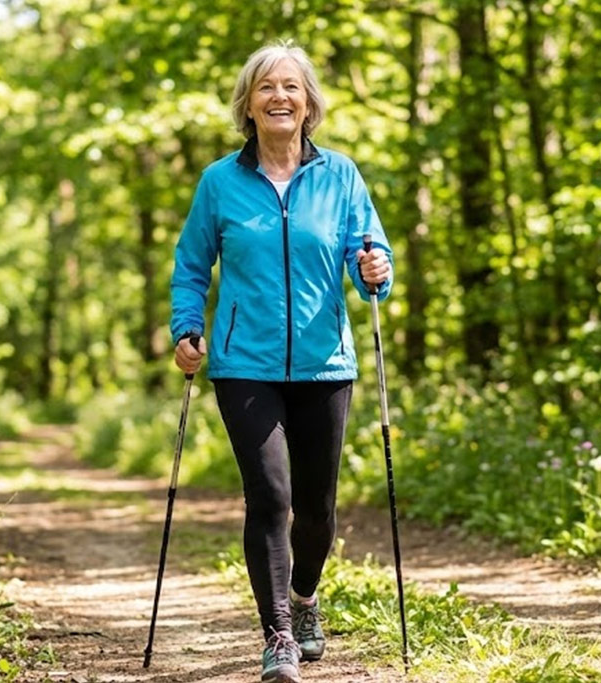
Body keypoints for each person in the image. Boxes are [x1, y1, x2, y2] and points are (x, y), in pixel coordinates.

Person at [169, 40, 393, 683]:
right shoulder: (220, 182)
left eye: (291, 87)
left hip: (326, 361)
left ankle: (304, 599)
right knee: (270, 496)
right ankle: (278, 638)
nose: (279, 97)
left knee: (318, 507)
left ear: (309, 104)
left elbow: (368, 257)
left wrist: (376, 270)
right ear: (249, 103)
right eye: (266, 87)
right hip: (245, 362)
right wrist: (187, 327)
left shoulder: (341, 175)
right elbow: (191, 266)